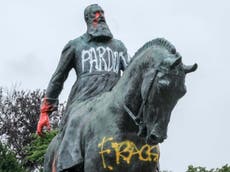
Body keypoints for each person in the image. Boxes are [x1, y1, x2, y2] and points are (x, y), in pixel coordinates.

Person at [36, 4, 130, 136]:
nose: (100, 16)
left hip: (113, 104)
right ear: (87, 19)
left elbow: (132, 73)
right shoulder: (75, 45)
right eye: (95, 13)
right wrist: (45, 112)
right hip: (83, 103)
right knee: (71, 136)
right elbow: (58, 77)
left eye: (102, 13)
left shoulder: (119, 46)